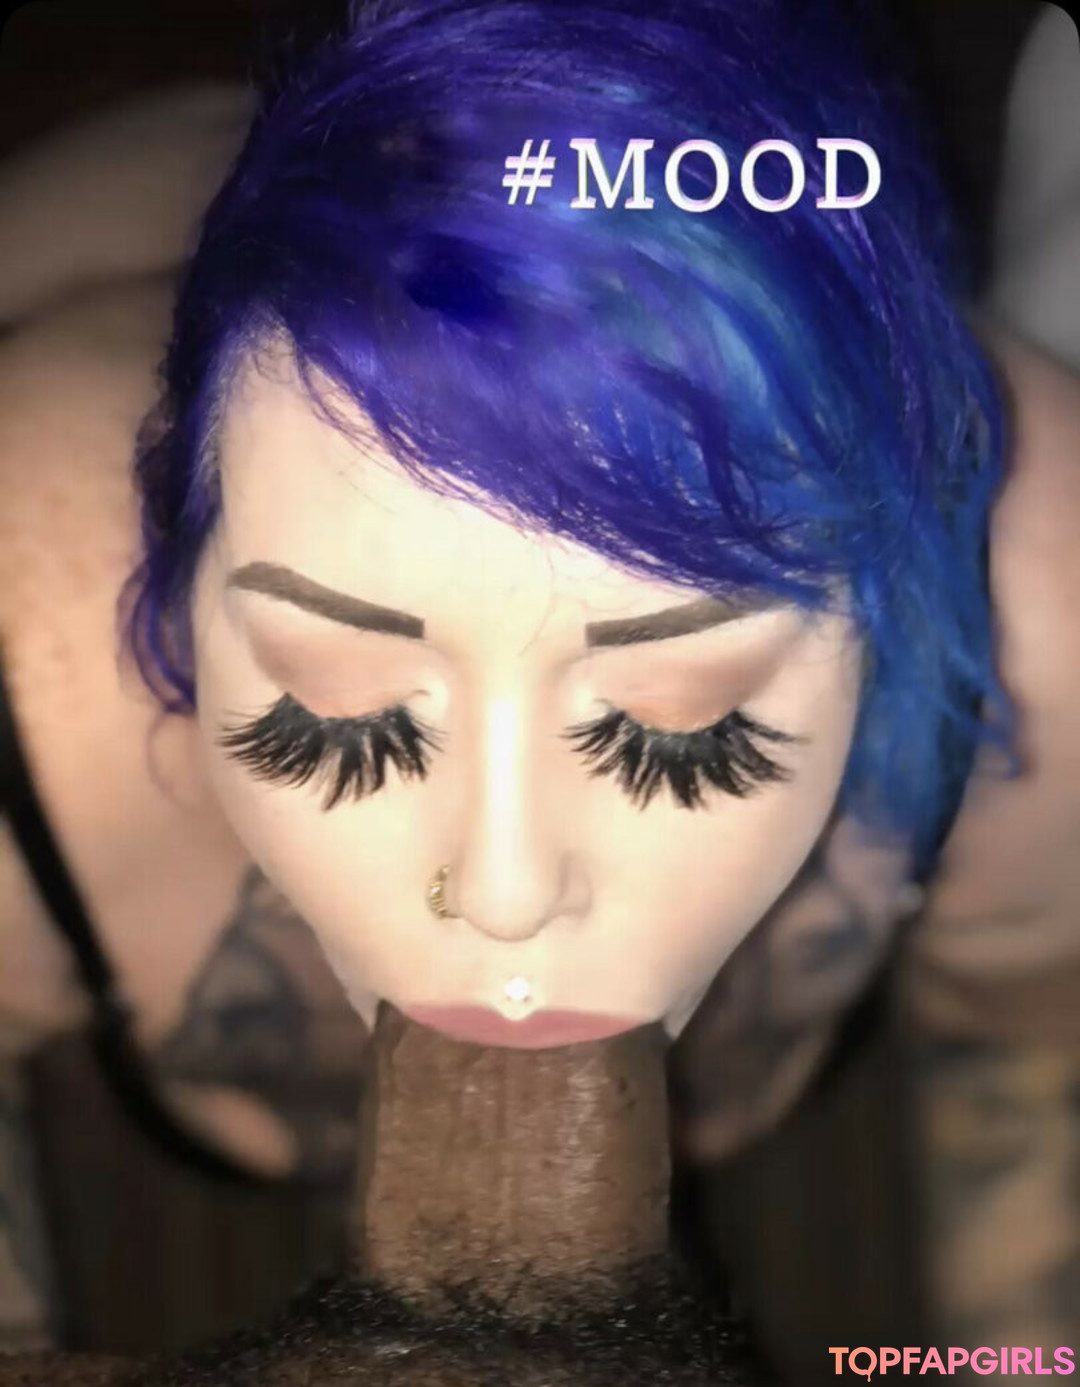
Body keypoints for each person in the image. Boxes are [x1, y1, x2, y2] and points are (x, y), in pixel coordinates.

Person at [1, 0, 1078, 1370]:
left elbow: (1037, 1075)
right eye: (338, 713)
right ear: (178, 578)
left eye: (679, 733)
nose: (503, 893)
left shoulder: (1042, 628)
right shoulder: (27, 665)